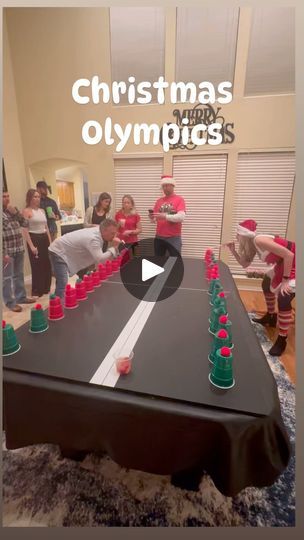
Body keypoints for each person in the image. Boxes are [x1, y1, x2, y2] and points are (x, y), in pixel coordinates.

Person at [225, 219, 296, 356]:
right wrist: (233, 251)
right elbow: (245, 264)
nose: (236, 237)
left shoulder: (259, 240)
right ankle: (270, 317)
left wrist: (286, 280)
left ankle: (282, 339)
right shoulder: (252, 245)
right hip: (285, 263)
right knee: (266, 283)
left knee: (284, 296)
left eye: (237, 234)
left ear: (244, 234)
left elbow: (289, 254)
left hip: (295, 261)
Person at [48, 218, 122, 298]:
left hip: (67, 250)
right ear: (104, 230)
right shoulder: (93, 238)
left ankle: (84, 295)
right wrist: (114, 248)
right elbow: (100, 259)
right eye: (112, 233)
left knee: (84, 275)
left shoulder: (98, 231)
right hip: (58, 250)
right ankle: (58, 303)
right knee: (62, 281)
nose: (114, 236)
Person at [2, 190, 35, 312]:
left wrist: (16, 213)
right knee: (6, 278)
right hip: (7, 251)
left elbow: (25, 223)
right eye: (3, 197)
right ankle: (10, 303)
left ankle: (21, 297)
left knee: (18, 275)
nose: (6, 198)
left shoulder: (13, 211)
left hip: (19, 248)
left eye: (7, 196)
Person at [22, 189, 52, 297]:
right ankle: (37, 289)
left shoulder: (42, 211)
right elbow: (25, 229)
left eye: (38, 197)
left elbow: (46, 227)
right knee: (37, 264)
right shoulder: (26, 211)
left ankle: (45, 287)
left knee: (46, 263)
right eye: (35, 196)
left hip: (44, 238)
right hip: (34, 238)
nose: (37, 199)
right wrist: (31, 245)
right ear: (29, 198)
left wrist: (50, 242)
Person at [149, 175, 186, 256]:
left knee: (174, 261)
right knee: (159, 261)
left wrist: (165, 216)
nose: (165, 188)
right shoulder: (159, 201)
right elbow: (155, 219)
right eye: (163, 186)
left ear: (172, 185)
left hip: (174, 238)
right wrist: (152, 218)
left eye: (166, 185)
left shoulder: (179, 199)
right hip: (159, 237)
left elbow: (181, 217)